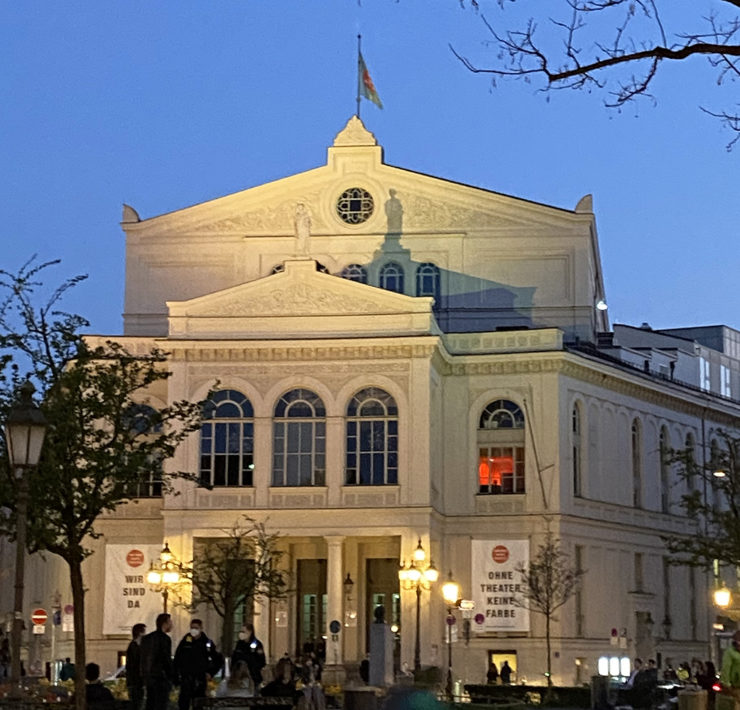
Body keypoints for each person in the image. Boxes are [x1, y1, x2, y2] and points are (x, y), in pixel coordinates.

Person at [174, 618, 220, 710]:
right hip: (186, 678)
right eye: (192, 628)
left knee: (198, 704)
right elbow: (177, 659)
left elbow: (218, 660)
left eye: (196, 628)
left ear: (201, 628)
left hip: (200, 679)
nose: (193, 630)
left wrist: (211, 673)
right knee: (183, 703)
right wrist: (176, 675)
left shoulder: (207, 643)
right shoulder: (185, 641)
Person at [140, 612, 175, 710]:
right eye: (170, 622)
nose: (172, 624)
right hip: (160, 678)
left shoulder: (147, 639)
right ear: (165, 623)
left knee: (150, 704)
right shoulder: (165, 639)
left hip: (149, 679)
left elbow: (143, 659)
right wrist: (172, 675)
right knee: (161, 704)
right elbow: (166, 659)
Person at [232, 624, 265, 692]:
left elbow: (262, 661)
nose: (241, 633)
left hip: (253, 677)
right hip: (239, 677)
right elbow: (234, 658)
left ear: (250, 632)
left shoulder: (257, 644)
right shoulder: (239, 644)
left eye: (244, 631)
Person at [126, 623, 146, 710]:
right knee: (136, 704)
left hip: (136, 682)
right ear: (140, 633)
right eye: (144, 632)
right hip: (135, 682)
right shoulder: (133, 647)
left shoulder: (136, 646)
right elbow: (135, 665)